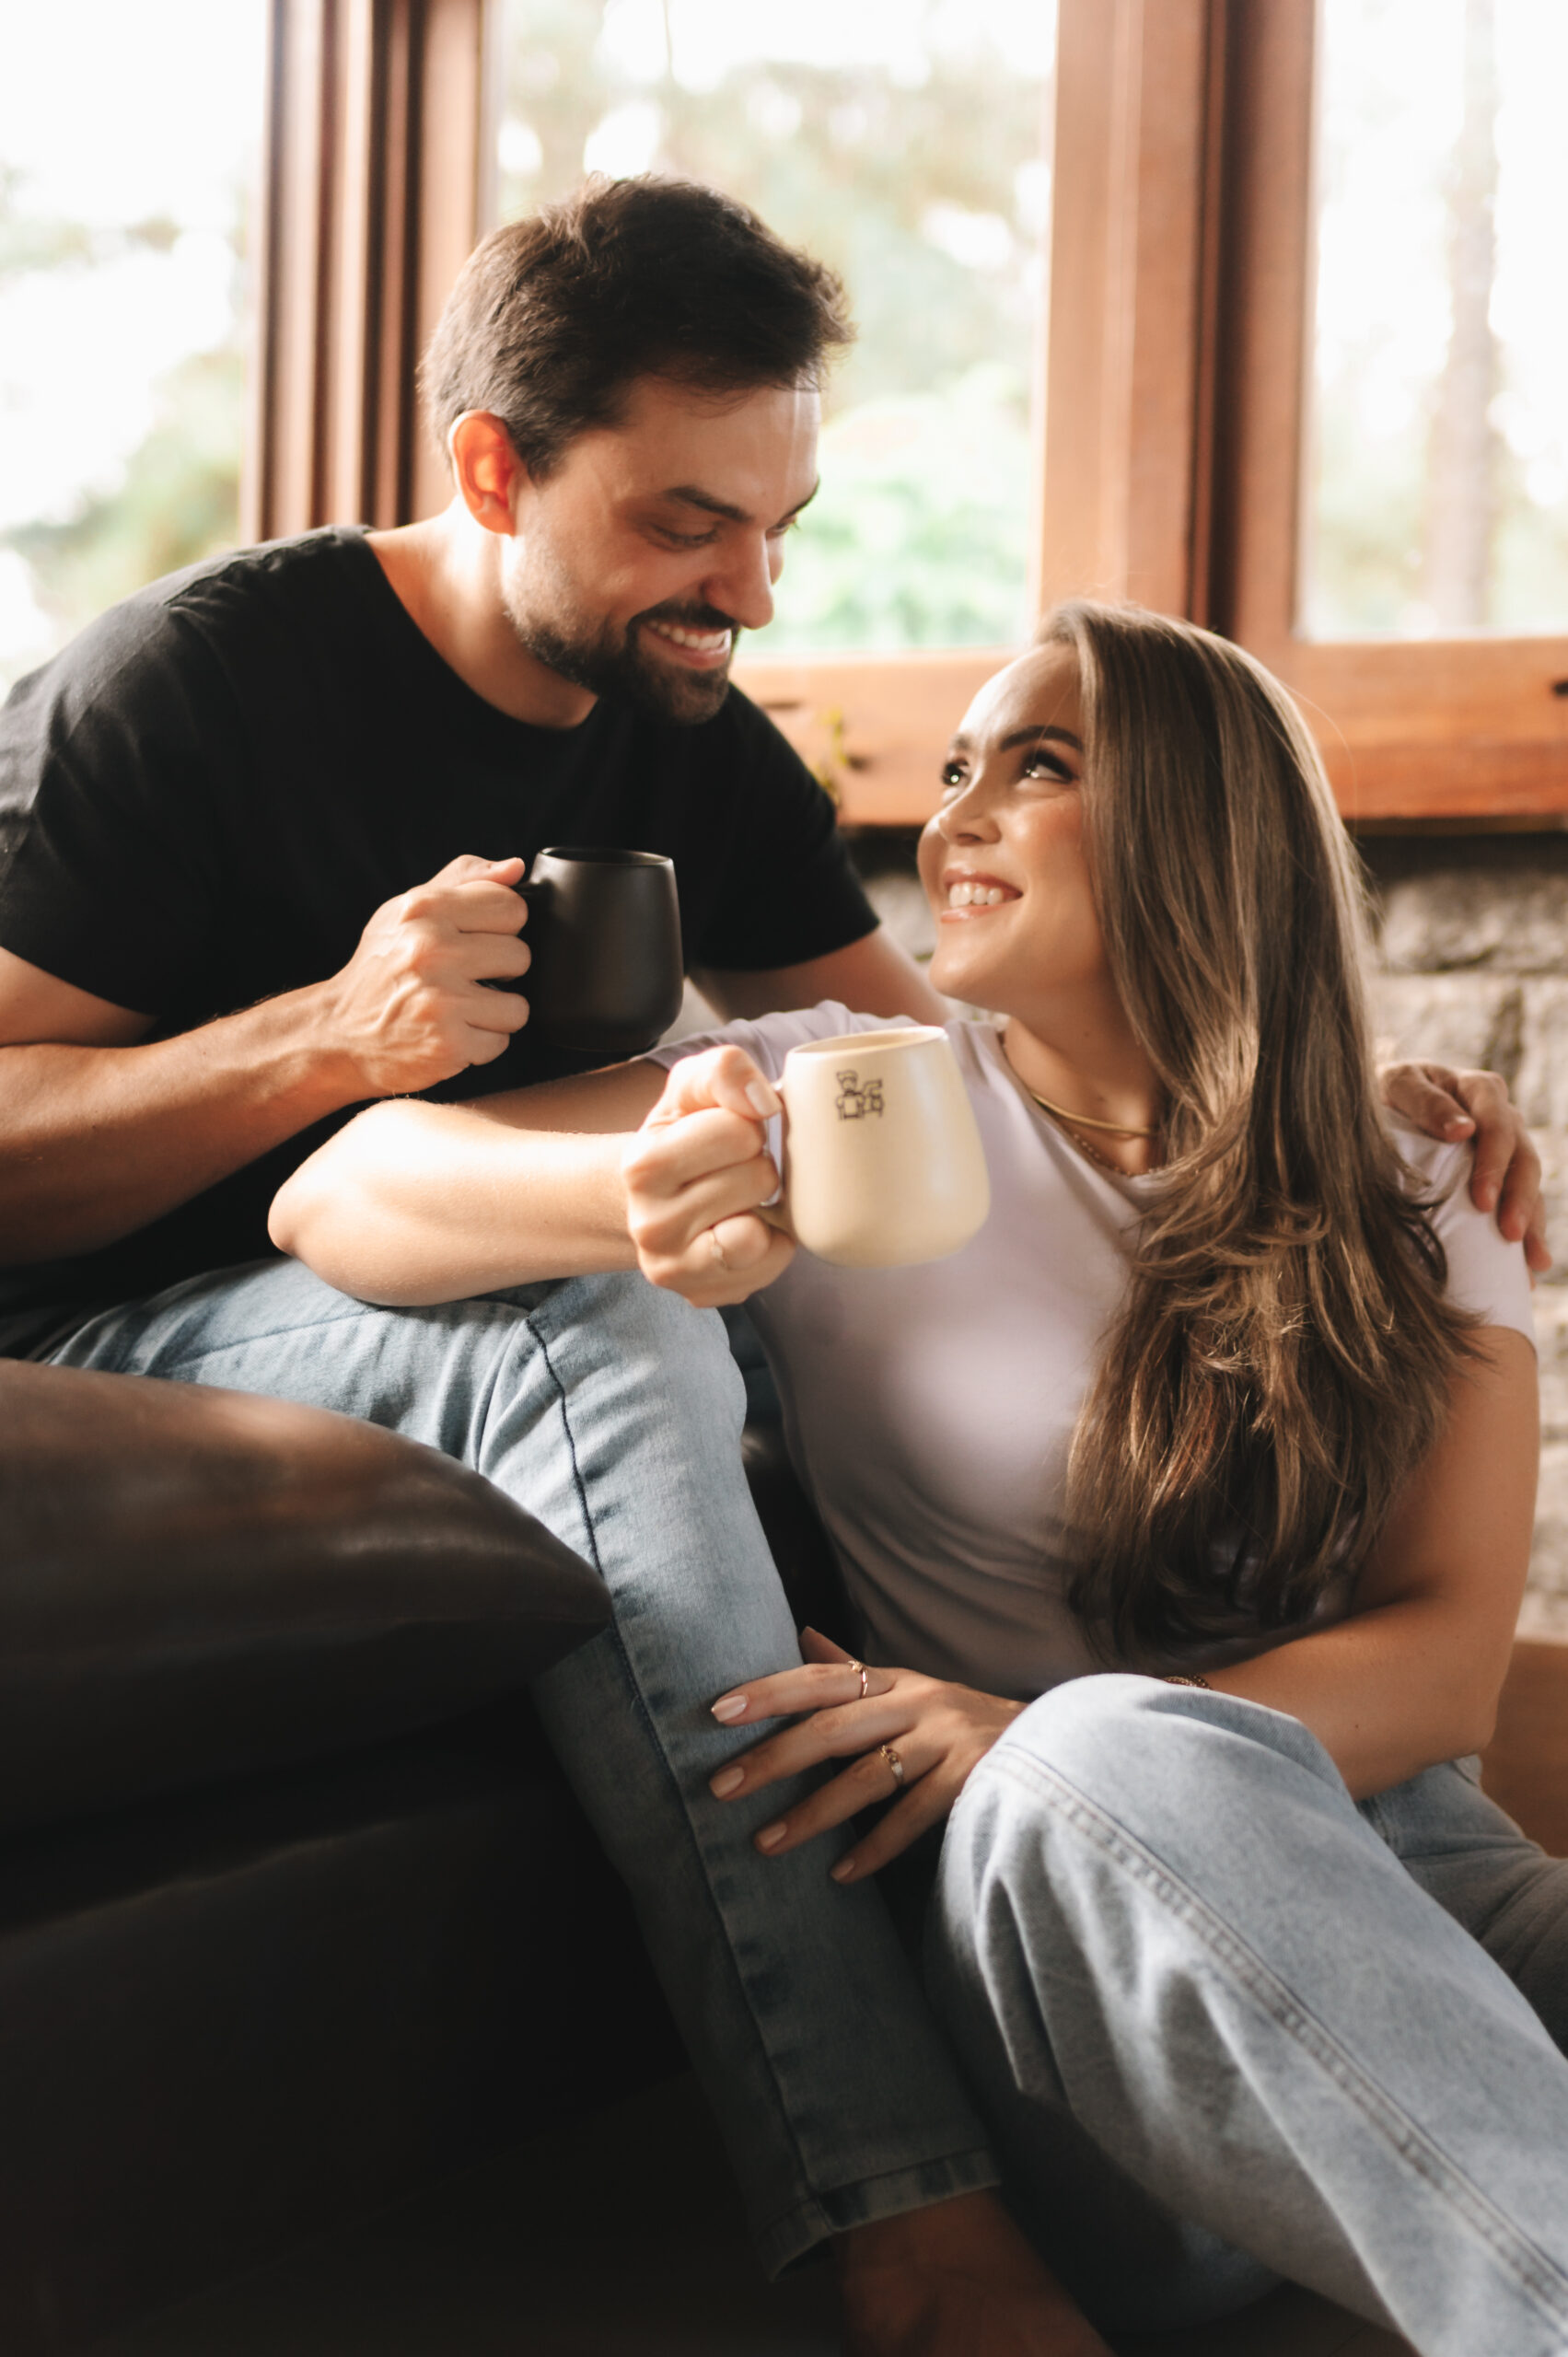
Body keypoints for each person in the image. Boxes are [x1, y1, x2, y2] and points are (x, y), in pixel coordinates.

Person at [0, 168, 1547, 2353]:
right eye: (688, 523)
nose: (750, 587)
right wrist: (345, 1047)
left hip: (1370, 1819)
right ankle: (899, 2210)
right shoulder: (195, 683)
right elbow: (309, 1184)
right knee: (621, 1317)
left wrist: (1321, 1096)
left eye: (778, 524)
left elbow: (968, 1073)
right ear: (493, 469)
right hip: (112, 1310)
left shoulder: (694, 736)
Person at [270, 602, 1566, 2357]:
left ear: (1205, 825)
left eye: (1038, 766)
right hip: (1071, 1952)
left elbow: (1446, 1662)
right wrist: (631, 1192)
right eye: (955, 767)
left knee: (1105, 1745)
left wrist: (1036, 1727)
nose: (957, 813)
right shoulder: (846, 1101)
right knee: (1098, 1759)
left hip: (1424, 1873)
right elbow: (336, 1194)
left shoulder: (1416, 1168)